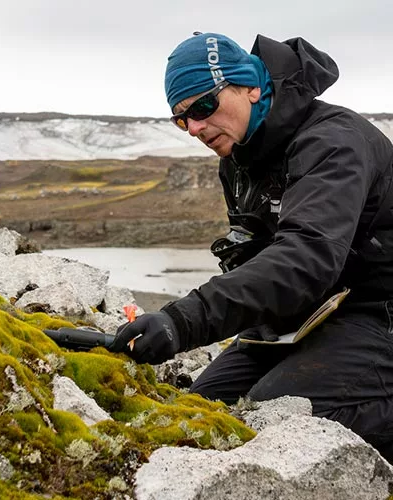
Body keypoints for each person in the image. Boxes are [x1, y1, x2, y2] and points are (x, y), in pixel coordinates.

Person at [109, 32, 393, 463]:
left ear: (251, 86)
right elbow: (261, 258)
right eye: (182, 120)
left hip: (378, 312)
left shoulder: (333, 141)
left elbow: (305, 260)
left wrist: (182, 321)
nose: (196, 129)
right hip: (306, 317)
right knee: (199, 413)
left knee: (269, 421)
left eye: (203, 107)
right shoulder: (238, 162)